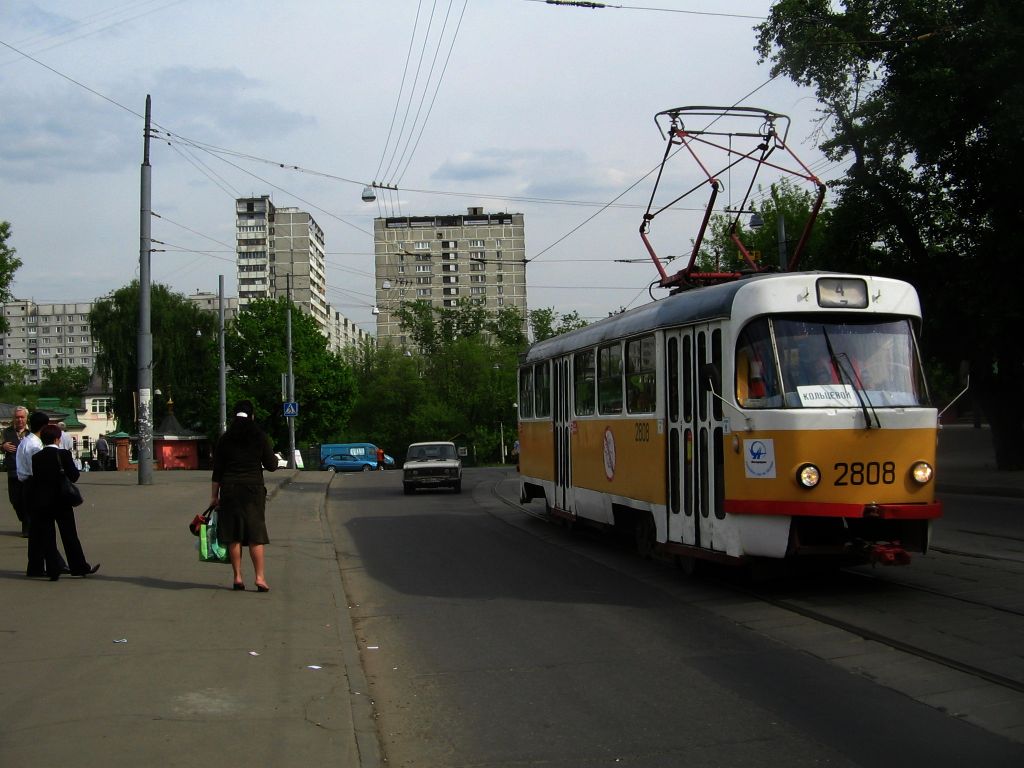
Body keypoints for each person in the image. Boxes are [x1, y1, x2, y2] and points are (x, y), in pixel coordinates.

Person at [210, 400, 278, 592]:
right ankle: (260, 578)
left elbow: (217, 471)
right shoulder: (259, 436)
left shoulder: (225, 438)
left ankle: (238, 577)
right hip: (253, 491)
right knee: (256, 535)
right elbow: (272, 465)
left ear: (234, 416)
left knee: (234, 536)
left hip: (230, 489)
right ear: (252, 416)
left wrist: (214, 497)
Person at [27, 424, 99, 581]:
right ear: (57, 439)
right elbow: (74, 476)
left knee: (48, 536)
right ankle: (79, 567)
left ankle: (53, 569)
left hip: (43, 502)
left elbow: (36, 480)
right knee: (69, 535)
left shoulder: (36, 458)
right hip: (62, 501)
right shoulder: (64, 454)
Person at [3, 406, 31, 536]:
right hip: (13, 471)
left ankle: (27, 525)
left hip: (28, 472)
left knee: (26, 499)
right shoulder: (7, 432)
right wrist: (2, 446)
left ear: (26, 418)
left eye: (22, 417)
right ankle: (24, 519)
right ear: (13, 418)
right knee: (15, 500)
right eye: (17, 417)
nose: (19, 420)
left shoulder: (31, 433)